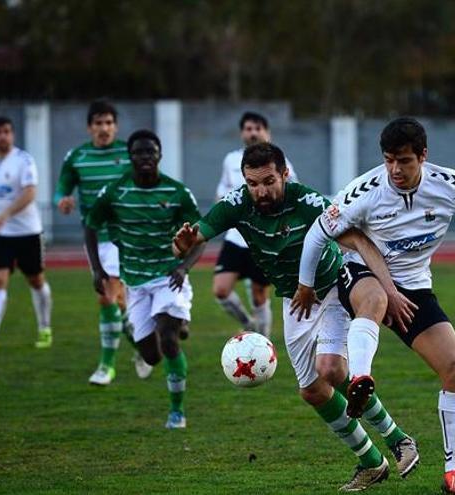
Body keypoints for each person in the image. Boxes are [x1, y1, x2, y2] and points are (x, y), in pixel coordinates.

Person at [297, 117, 455, 494]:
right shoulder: (363, 192)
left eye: (404, 161)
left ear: (423, 157)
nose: (395, 169)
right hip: (360, 273)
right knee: (376, 299)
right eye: (389, 160)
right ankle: (361, 378)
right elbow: (319, 232)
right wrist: (303, 285)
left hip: (414, 288)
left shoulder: (450, 186)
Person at [173, 142, 419, 491]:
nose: (261, 191)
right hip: (295, 300)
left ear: (285, 174)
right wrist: (182, 244)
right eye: (253, 183)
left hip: (332, 288)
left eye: (269, 181)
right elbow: (191, 238)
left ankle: (398, 439)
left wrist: (387, 287)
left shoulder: (307, 201)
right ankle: (371, 462)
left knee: (332, 370)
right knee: (313, 392)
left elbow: (355, 238)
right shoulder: (236, 204)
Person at [84, 129, 204, 429]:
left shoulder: (177, 192)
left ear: (160, 155)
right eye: (139, 152)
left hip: (168, 278)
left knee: (168, 339)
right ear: (130, 157)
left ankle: (177, 412)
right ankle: (165, 323)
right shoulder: (115, 191)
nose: (145, 157)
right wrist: (98, 269)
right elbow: (90, 225)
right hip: (134, 282)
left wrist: (183, 268)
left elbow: (200, 237)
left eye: (151, 152)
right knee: (150, 356)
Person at [55, 100, 153, 385]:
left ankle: (106, 366)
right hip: (94, 238)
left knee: (107, 296)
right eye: (98, 123)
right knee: (117, 301)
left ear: (116, 126)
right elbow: (61, 189)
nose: (104, 128)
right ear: (89, 127)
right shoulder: (77, 157)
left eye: (109, 123)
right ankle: (143, 348)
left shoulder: (128, 153)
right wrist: (61, 200)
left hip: (124, 236)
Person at [0, 117, 53, 351]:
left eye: (6, 131)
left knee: (36, 280)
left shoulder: (24, 160)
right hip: (0, 234)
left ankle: (45, 328)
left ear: (12, 135)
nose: (2, 136)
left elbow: (30, 194)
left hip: (28, 232)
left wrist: (5, 213)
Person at [213, 111, 298, 337]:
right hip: (236, 236)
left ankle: (264, 344)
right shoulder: (231, 160)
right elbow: (221, 193)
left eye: (257, 128)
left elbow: (293, 196)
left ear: (267, 132)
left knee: (260, 293)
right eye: (248, 129)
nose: (253, 133)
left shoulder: (281, 162)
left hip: (265, 237)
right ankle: (248, 323)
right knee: (220, 290)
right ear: (242, 133)